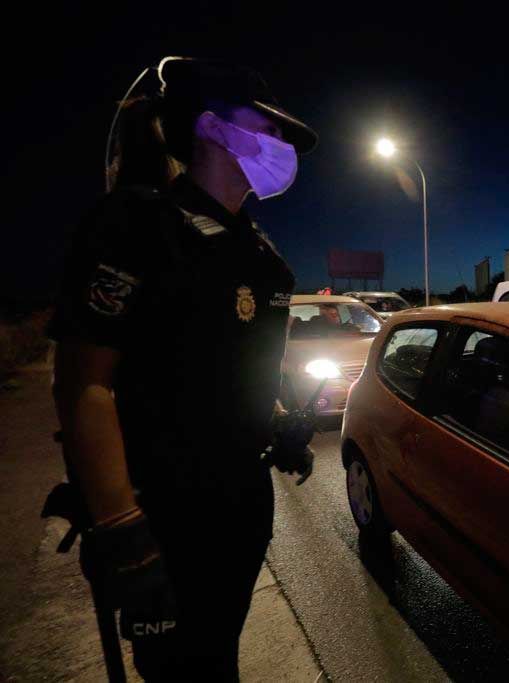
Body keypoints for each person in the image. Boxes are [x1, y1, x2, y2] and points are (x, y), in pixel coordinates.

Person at [49, 57, 318, 680]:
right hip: (166, 516)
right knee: (182, 671)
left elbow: (231, 366)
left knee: (217, 653)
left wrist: (275, 425)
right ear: (214, 129)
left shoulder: (259, 253)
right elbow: (84, 382)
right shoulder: (139, 225)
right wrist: (121, 526)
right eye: (269, 128)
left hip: (240, 504)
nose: (282, 146)